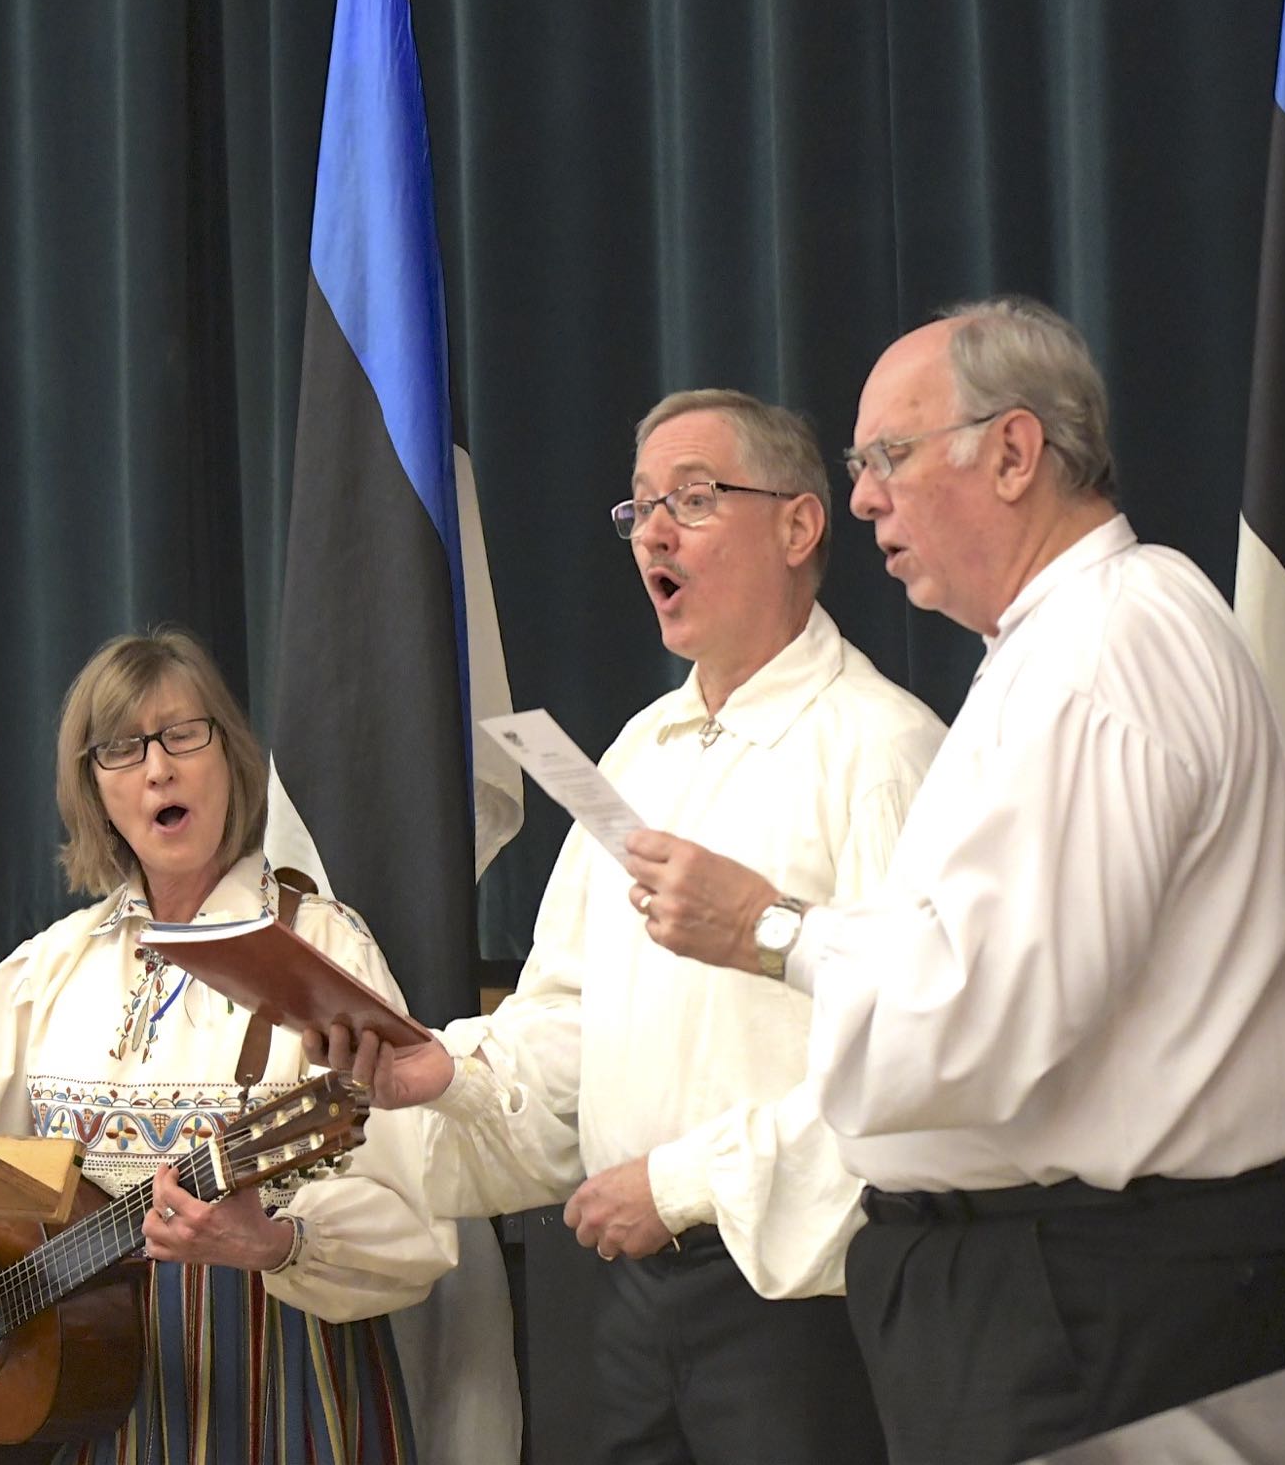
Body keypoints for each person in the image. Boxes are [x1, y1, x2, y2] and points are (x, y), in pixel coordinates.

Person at [632, 299, 1285, 1465]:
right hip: (1059, 1287)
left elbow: (982, 1017)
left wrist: (771, 930)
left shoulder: (1098, 651)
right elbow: (978, 960)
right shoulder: (1066, 642)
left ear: (1012, 453)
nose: (863, 499)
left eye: (887, 457)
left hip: (1081, 1296)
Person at [322, 390, 945, 1465]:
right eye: (639, 507)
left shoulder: (879, 749)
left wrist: (679, 1186)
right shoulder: (639, 751)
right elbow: (570, 1012)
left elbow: (910, 1066)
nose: (653, 533)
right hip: (614, 1300)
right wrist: (449, 1073)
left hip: (794, 1309)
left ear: (799, 526)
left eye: (693, 500)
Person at [0, 627, 455, 1465]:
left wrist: (277, 1243)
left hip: (279, 1395)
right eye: (123, 749)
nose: (158, 768)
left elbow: (415, 1220)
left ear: (230, 757)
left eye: (183, 735)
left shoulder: (322, 949)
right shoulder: (56, 964)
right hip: (91, 1404)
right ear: (96, 793)